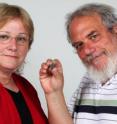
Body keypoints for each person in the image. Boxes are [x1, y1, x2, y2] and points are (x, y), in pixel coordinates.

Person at [39, 3, 117, 124]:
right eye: (79, 45)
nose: (87, 50)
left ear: (115, 29)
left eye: (93, 36)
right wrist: (54, 92)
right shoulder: (90, 78)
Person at [0, 3, 48, 124]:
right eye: (4, 37)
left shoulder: (27, 87)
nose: (13, 46)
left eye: (21, 39)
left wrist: (54, 93)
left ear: (28, 46)